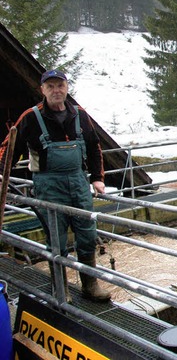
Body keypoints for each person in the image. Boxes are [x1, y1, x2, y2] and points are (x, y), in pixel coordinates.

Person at [0, 70, 111, 302]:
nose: (56, 91)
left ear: (67, 87)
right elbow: (9, 148)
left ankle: (90, 285)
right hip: (49, 185)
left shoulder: (80, 115)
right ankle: (60, 288)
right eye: (50, 86)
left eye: (60, 85)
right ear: (42, 90)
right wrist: (2, 174)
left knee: (87, 234)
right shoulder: (31, 117)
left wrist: (98, 178)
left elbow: (94, 147)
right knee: (57, 239)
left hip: (79, 182)